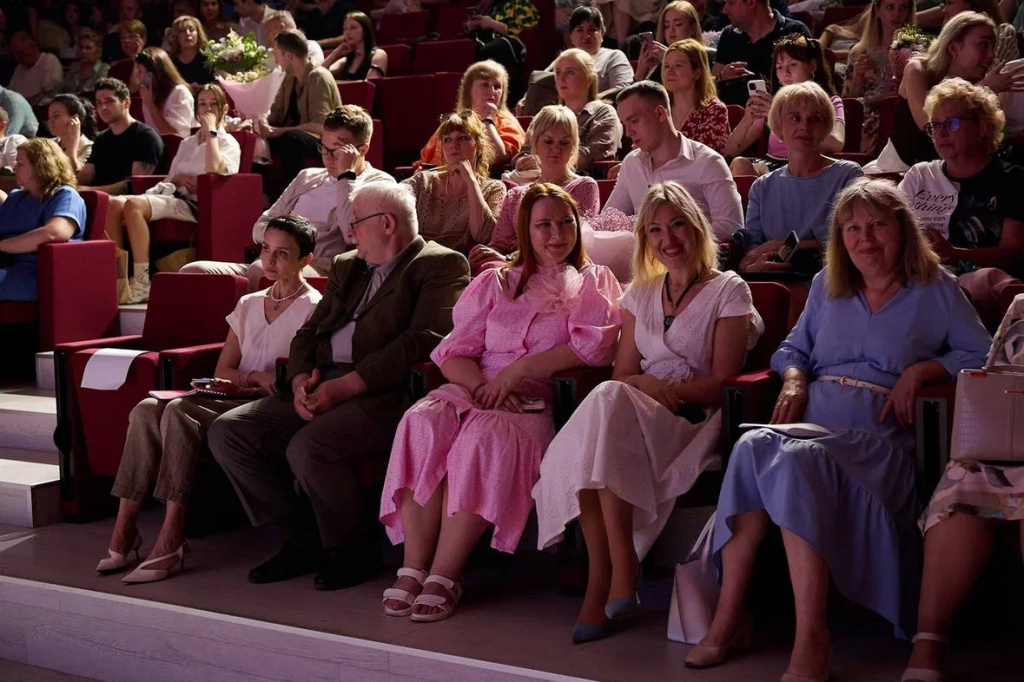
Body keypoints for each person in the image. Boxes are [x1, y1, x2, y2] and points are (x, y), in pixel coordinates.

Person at [688, 178, 991, 679]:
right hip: (814, 421)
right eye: (852, 228)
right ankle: (729, 616)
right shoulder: (828, 285)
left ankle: (812, 637)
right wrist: (792, 378)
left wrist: (922, 370)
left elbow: (982, 353)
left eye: (877, 225)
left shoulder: (935, 287)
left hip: (876, 440)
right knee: (751, 445)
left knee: (793, 458)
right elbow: (793, 349)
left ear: (902, 229)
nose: (864, 238)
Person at [209, 182, 470, 592]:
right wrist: (300, 379)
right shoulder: (349, 264)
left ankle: (353, 550)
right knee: (229, 431)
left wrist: (347, 386)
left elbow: (423, 340)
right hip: (322, 382)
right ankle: (301, 536)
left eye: (356, 222)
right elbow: (308, 332)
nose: (348, 232)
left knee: (308, 446)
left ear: (387, 224)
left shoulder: (440, 264)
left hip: (383, 394)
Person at [379, 183, 622, 622]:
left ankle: (445, 574)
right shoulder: (496, 281)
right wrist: (481, 388)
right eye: (543, 225)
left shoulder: (593, 280)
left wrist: (520, 371)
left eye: (565, 222)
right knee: (421, 421)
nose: (556, 234)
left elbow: (593, 348)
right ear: (525, 231)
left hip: (537, 399)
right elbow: (454, 352)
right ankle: (413, 566)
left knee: (483, 437)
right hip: (477, 388)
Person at [533, 181, 764, 644]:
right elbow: (622, 374)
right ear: (645, 240)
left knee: (603, 416)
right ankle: (613, 572)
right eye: (655, 230)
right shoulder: (640, 293)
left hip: (689, 419)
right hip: (631, 413)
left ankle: (611, 575)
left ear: (696, 228)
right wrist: (644, 386)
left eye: (677, 224)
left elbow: (722, 381)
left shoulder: (728, 290)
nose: (667, 238)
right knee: (605, 420)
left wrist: (660, 391)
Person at [95, 215, 323, 584]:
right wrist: (253, 378)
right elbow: (224, 369)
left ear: (305, 260)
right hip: (235, 395)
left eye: (282, 253)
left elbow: (293, 381)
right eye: (266, 249)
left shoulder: (314, 307)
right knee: (145, 409)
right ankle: (125, 527)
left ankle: (171, 536)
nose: (269, 260)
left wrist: (253, 382)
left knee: (178, 411)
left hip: (268, 407)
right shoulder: (249, 303)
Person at [901, 296, 1024, 682]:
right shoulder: (1022, 308)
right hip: (1015, 445)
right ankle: (929, 641)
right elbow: (994, 387)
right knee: (965, 479)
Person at [183, 105, 395, 289]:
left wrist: (345, 177)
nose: (328, 158)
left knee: (261, 271)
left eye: (337, 151)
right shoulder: (307, 177)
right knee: (193, 271)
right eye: (324, 148)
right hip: (271, 260)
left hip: (317, 267)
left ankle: (248, 323)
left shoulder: (378, 183)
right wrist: (282, 242)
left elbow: (352, 235)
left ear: (362, 150)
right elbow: (260, 226)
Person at [899, 77, 1024, 328]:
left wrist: (955, 254)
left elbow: (1013, 253)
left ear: (982, 126)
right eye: (935, 125)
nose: (941, 133)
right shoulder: (920, 175)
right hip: (915, 278)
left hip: (976, 287)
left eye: (952, 123)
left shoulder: (1013, 179)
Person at [104, 84, 240, 303]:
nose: (207, 109)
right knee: (112, 204)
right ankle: (118, 280)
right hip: (173, 196)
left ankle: (142, 282)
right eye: (202, 104)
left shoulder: (228, 142)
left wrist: (211, 133)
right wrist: (179, 179)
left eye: (213, 104)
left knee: (134, 205)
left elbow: (214, 167)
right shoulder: (187, 143)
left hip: (197, 204)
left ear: (224, 109)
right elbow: (170, 179)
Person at [870, 12, 1024, 174]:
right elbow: (927, 123)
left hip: (954, 176)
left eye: (993, 46)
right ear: (953, 48)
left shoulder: (981, 82)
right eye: (983, 45)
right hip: (898, 174)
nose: (992, 55)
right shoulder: (918, 69)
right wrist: (984, 88)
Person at [736, 83, 863, 273]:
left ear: (826, 127)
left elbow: (853, 239)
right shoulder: (762, 187)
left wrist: (780, 246)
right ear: (779, 124)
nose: (804, 126)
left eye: (815, 119)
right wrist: (757, 263)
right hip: (774, 277)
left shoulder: (847, 175)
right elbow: (753, 249)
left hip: (831, 276)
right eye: (795, 118)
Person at [604, 81, 743, 241]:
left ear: (660, 113)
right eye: (624, 124)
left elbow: (731, 226)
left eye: (634, 121)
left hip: (692, 255)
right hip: (640, 255)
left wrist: (674, 239)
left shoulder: (708, 162)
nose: (628, 133)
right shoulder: (631, 163)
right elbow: (608, 221)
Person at [473, 106, 600, 267]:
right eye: (548, 141)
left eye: (564, 142)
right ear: (535, 143)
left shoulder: (584, 186)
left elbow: (567, 243)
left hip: (560, 269)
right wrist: (488, 255)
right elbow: (499, 244)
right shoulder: (516, 194)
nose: (556, 149)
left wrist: (510, 258)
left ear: (573, 146)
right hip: (514, 267)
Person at [725, 34, 846, 177]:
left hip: (809, 166)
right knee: (739, 164)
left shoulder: (830, 102)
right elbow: (730, 151)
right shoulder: (771, 104)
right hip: (770, 167)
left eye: (793, 65)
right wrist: (748, 118)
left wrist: (779, 115)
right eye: (780, 67)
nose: (785, 73)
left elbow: (836, 143)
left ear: (812, 66)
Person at [403, 112, 506, 252]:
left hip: (462, 262)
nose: (454, 145)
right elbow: (389, 203)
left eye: (463, 138)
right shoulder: (423, 181)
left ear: (479, 145)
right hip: (417, 260)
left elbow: (483, 236)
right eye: (447, 139)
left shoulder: (494, 188)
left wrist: (471, 182)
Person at [257, 29, 342, 197]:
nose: (275, 58)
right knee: (256, 141)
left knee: (291, 139)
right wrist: (260, 120)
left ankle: (298, 197)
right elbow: (276, 113)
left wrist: (277, 131)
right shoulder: (288, 78)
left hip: (325, 141)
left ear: (288, 56)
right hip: (296, 136)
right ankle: (264, 195)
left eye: (277, 53)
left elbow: (321, 126)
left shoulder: (318, 76)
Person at [0, 138, 87, 301]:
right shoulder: (16, 198)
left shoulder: (65, 195)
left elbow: (55, 232)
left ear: (40, 165)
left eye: (20, 164)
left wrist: (2, 246)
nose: (14, 168)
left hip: (35, 273)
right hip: (7, 266)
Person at [513, 49, 622, 174]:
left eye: (570, 72)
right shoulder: (545, 114)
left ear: (589, 79)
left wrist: (541, 162)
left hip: (581, 179)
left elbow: (595, 154)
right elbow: (524, 152)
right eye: (558, 72)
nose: (561, 78)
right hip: (537, 178)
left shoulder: (604, 112)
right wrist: (521, 162)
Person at [419, 60, 525, 170]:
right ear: (468, 90)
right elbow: (425, 161)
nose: (492, 91)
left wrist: (488, 120)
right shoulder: (453, 121)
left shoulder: (507, 122)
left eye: (497, 87)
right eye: (485, 84)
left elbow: (496, 156)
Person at [841, 0, 915, 153]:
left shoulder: (915, 51)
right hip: (866, 118)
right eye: (890, 7)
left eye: (903, 8)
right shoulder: (859, 51)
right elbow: (848, 101)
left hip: (900, 115)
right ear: (878, 11)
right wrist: (858, 75)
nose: (897, 13)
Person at [712, 0, 811, 106]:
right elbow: (710, 84)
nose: (725, 10)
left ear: (751, 3)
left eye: (731, 3)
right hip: (734, 113)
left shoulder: (794, 32)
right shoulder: (729, 36)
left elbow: (810, 88)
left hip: (784, 111)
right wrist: (721, 78)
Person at [77, 77, 164, 194]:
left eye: (109, 101)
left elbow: (134, 186)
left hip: (126, 201)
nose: (103, 107)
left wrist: (91, 191)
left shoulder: (146, 137)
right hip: (97, 197)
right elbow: (87, 175)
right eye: (99, 103)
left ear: (126, 102)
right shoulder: (101, 139)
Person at [662, 39, 730, 154]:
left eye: (678, 65)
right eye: (666, 66)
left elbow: (705, 156)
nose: (670, 71)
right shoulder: (658, 109)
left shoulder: (714, 110)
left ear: (697, 73)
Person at [133, 46, 197, 137]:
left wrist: (151, 106)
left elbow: (175, 136)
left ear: (152, 75)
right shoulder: (149, 95)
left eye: (140, 71)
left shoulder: (179, 92)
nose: (137, 76)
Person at [635, 1, 705, 83]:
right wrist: (640, 72)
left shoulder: (705, 56)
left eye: (678, 24)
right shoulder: (659, 63)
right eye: (666, 26)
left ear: (693, 28)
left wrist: (670, 59)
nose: (671, 30)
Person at [323, 11, 387, 81]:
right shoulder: (345, 60)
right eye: (345, 28)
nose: (348, 32)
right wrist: (335, 54)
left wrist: (336, 83)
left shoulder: (379, 54)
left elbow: (370, 83)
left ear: (365, 30)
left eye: (353, 28)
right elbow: (318, 74)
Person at [8, 31, 63, 106]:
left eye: (21, 53)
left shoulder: (49, 61)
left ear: (32, 46)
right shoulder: (19, 68)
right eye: (15, 54)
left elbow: (49, 96)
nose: (17, 58)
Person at [48, 93, 97, 173]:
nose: (50, 122)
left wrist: (73, 140)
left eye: (56, 116)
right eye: (49, 117)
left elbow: (72, 171)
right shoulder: (49, 144)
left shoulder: (89, 147)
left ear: (74, 118)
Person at [166, 15, 214, 91]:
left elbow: (220, 83)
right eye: (182, 31)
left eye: (191, 30)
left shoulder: (210, 57)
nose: (188, 33)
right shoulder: (170, 61)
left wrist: (204, 87)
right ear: (176, 36)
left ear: (198, 33)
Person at [60, 28, 109, 95]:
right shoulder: (74, 68)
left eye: (88, 48)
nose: (83, 51)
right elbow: (59, 90)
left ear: (97, 50)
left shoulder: (104, 69)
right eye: (81, 47)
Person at [107, 20, 147, 87]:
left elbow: (134, 88)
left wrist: (137, 56)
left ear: (143, 39)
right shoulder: (118, 67)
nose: (126, 41)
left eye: (132, 37)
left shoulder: (151, 63)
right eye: (123, 37)